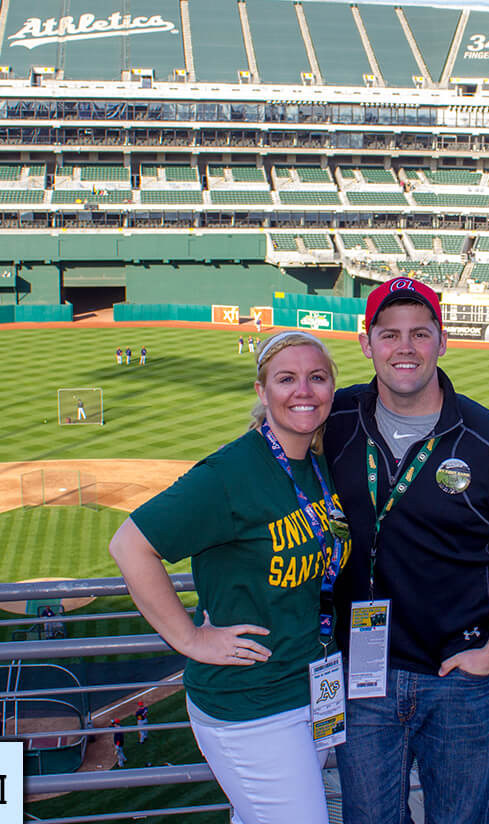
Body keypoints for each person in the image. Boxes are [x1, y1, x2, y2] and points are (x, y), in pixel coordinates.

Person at [325, 276, 489, 824]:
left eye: (419, 334)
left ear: (442, 342)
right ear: (366, 342)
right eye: (390, 334)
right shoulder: (332, 421)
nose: (405, 348)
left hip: (458, 680)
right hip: (359, 678)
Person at [110, 330, 348, 824]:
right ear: (262, 392)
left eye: (317, 378)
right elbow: (130, 546)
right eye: (286, 379)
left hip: (313, 686)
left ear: (332, 389)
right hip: (250, 702)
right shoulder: (229, 473)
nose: (303, 390)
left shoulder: (320, 463)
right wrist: (191, 638)